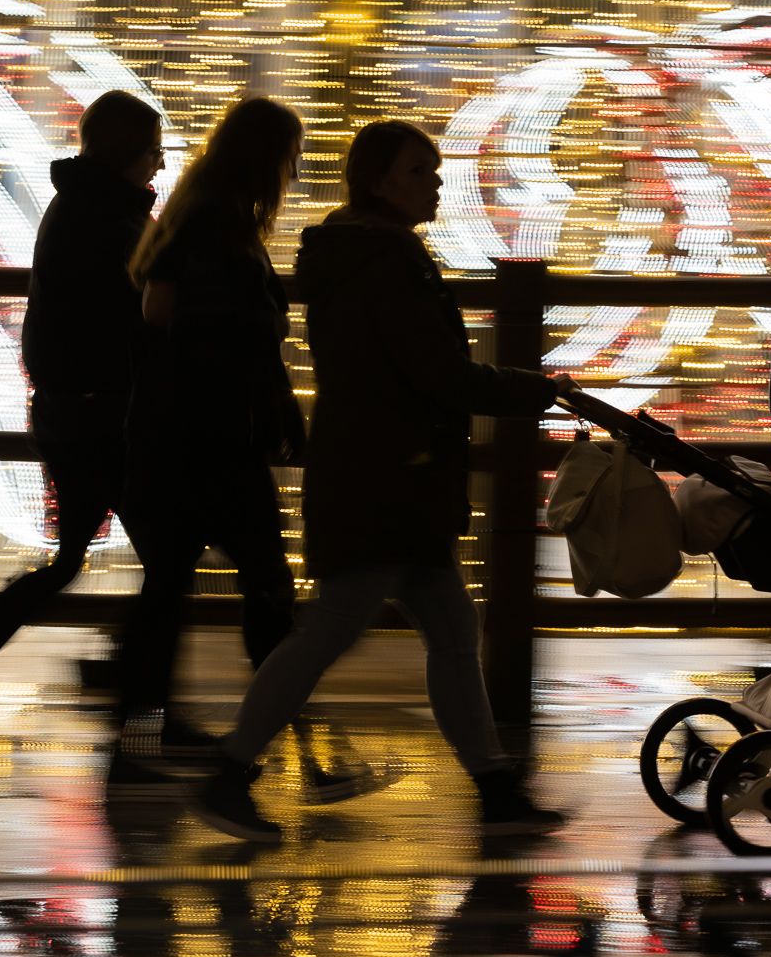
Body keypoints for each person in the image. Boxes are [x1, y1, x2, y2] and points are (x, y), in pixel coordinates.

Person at [193, 119, 572, 843]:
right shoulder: (388, 262)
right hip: (389, 478)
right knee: (334, 629)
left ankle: (495, 789)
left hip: (376, 472)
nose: (433, 185)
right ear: (378, 182)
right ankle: (230, 772)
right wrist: (528, 388)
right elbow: (435, 374)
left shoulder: (355, 253)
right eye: (418, 174)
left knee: (447, 629)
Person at [114, 96, 367, 792]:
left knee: (178, 587)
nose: (291, 171)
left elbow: (165, 312)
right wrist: (271, 401)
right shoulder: (218, 225)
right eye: (289, 156)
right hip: (211, 439)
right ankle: (295, 746)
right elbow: (211, 326)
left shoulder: (203, 217)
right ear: (267, 158)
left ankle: (144, 738)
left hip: (183, 435)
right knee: (265, 585)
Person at [0, 90, 165, 754]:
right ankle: (134, 698)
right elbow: (131, 319)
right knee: (162, 557)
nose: (160, 166)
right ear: (129, 156)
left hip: (78, 412)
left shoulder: (83, 207)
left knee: (78, 561)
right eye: (152, 152)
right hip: (102, 416)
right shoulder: (107, 218)